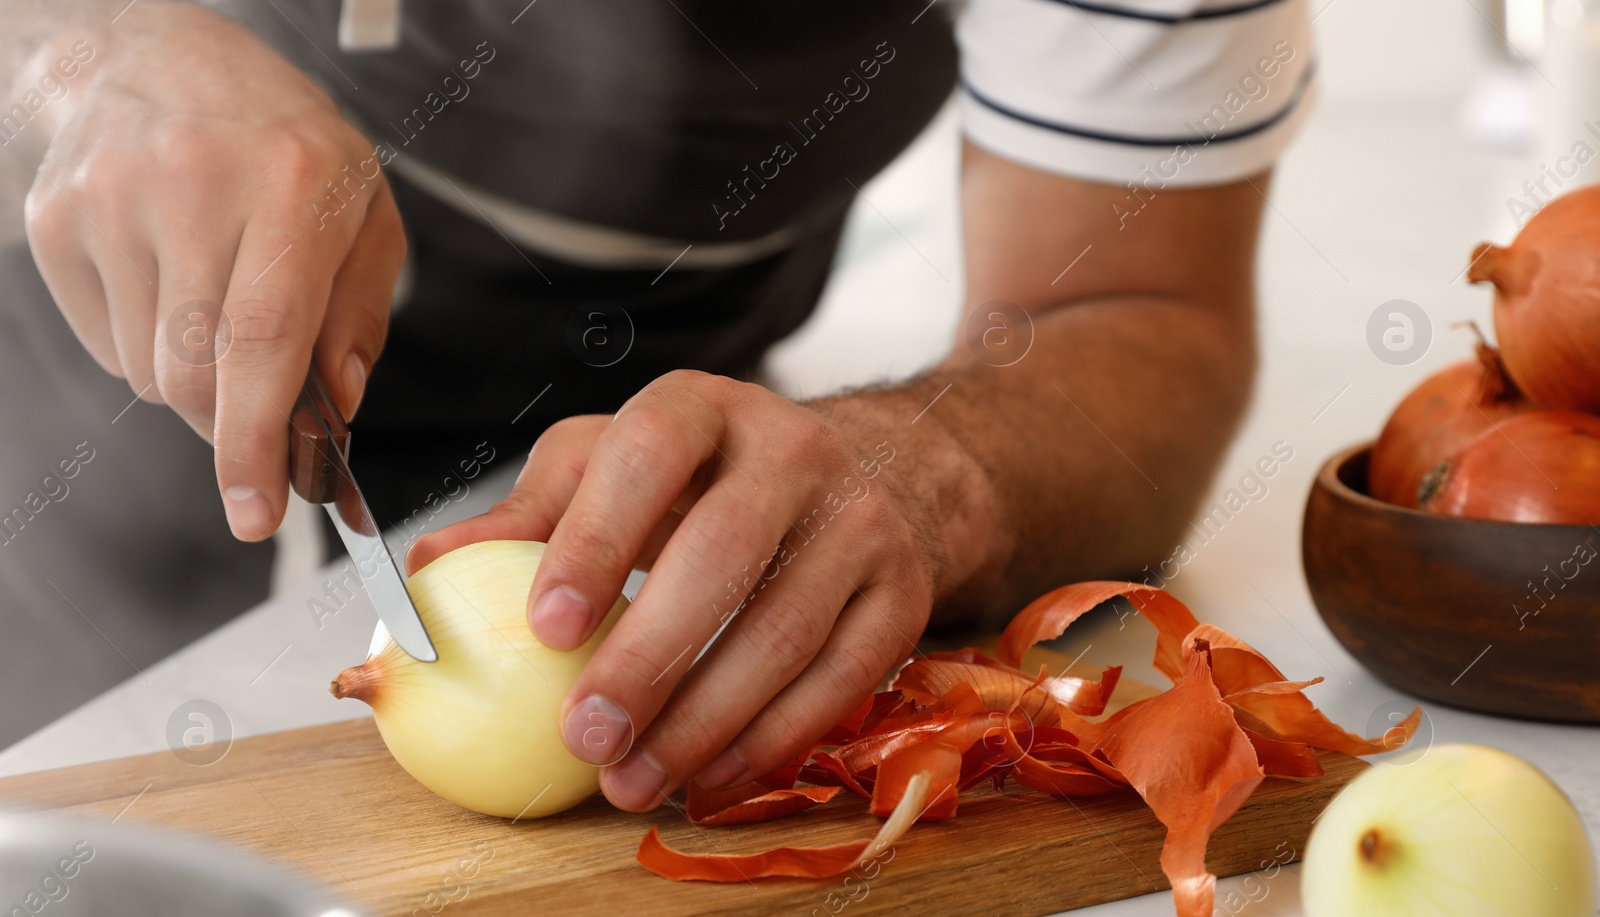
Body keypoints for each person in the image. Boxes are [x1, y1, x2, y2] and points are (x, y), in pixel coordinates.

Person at [0, 0, 1315, 800]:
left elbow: (1141, 314)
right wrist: (69, 57)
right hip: (63, 347)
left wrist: (925, 470)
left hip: (662, 368)